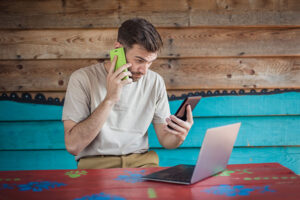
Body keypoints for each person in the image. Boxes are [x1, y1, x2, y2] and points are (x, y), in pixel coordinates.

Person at [62, 18, 194, 169]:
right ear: (118, 49)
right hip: (96, 166)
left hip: (143, 163)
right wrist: (110, 99)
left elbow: (166, 141)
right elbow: (73, 146)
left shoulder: (155, 81)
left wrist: (179, 136)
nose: (144, 71)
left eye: (150, 62)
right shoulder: (82, 79)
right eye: (139, 60)